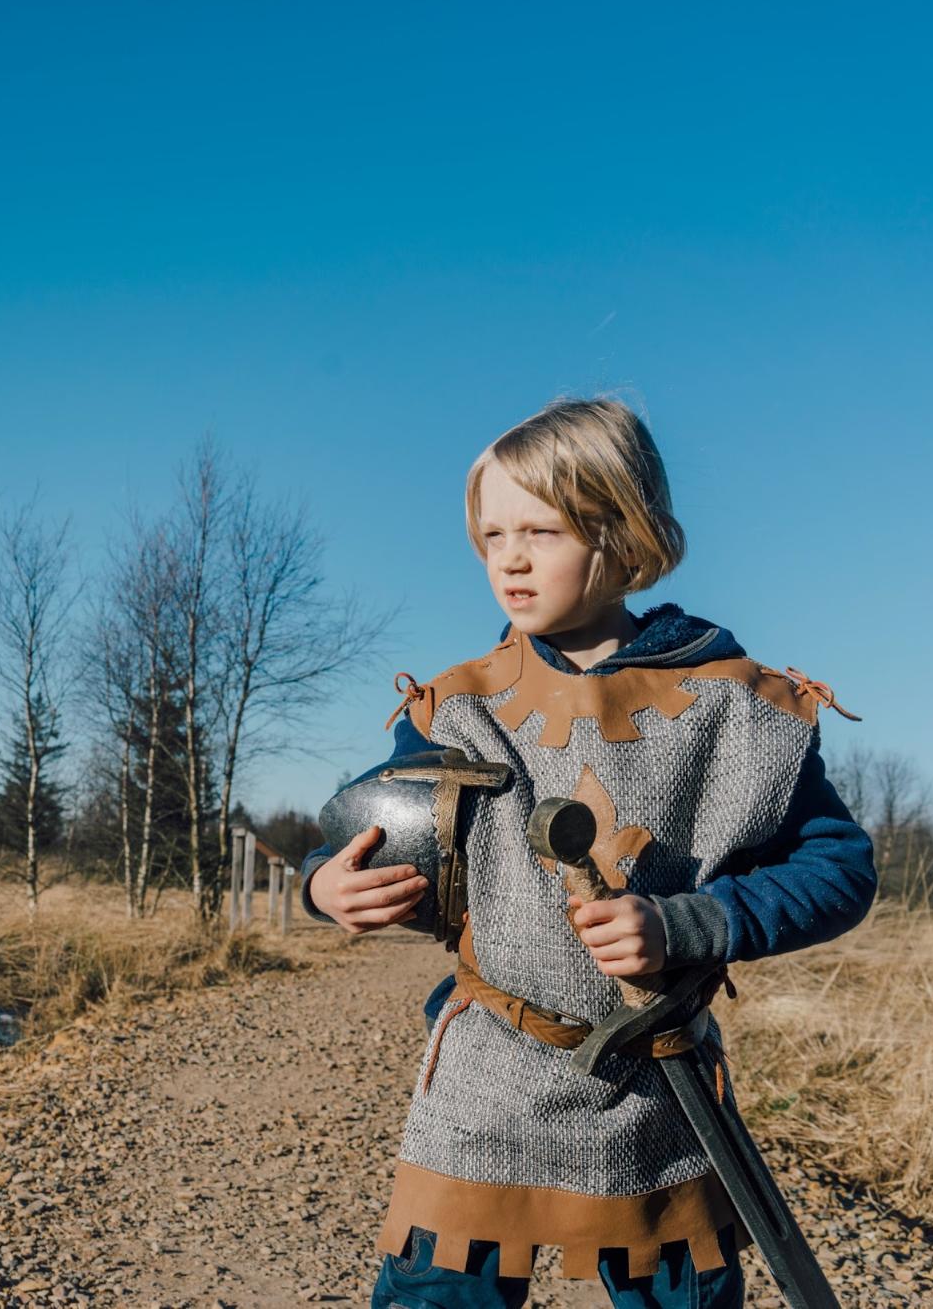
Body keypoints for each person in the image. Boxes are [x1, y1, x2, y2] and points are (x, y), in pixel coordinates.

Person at [297, 397, 874, 1309]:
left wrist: (689, 923)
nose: (509, 558)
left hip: (660, 1090)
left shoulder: (738, 710)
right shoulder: (459, 705)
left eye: (541, 529)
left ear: (623, 530)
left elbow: (837, 870)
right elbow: (355, 839)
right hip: (487, 1078)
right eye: (491, 534)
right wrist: (323, 884)